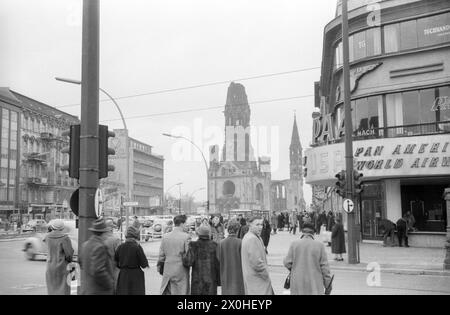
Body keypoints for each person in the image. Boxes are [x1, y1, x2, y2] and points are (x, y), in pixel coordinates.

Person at [283, 223, 332, 295]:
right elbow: (325, 268)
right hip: (315, 283)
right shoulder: (319, 246)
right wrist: (328, 285)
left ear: (302, 232)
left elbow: (287, 262)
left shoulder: (294, 244)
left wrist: (295, 268)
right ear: (313, 233)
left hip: (298, 282)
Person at [80, 218, 115, 295]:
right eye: (106, 232)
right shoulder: (100, 247)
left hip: (88, 288)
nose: (107, 235)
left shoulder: (85, 245)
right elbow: (98, 270)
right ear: (103, 233)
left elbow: (81, 263)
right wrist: (109, 283)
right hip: (99, 290)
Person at [158, 215, 191, 295]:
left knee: (169, 291)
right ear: (182, 224)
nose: (187, 225)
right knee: (181, 291)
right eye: (186, 223)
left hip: (168, 268)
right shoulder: (186, 237)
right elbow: (189, 255)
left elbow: (161, 255)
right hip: (181, 269)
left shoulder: (165, 237)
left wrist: (160, 267)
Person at [241, 216, 273, 295]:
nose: (260, 227)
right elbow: (256, 263)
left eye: (261, 224)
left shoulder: (251, 237)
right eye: (257, 224)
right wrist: (266, 274)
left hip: (253, 279)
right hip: (257, 281)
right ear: (250, 225)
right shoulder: (252, 239)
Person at [183, 225, 220, 295]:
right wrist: (218, 281)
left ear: (198, 234)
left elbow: (188, 262)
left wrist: (183, 255)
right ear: (208, 233)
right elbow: (218, 264)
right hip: (211, 281)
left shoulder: (193, 245)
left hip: (197, 282)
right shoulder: (215, 245)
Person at [115, 226, 149, 295]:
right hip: (136, 276)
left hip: (123, 275)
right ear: (135, 236)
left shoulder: (120, 247)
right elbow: (144, 264)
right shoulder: (137, 247)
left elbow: (116, 262)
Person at [44, 219, 74, 295]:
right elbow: (69, 254)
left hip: (50, 267)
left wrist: (49, 230)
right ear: (62, 228)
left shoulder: (47, 237)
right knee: (63, 290)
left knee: (52, 289)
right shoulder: (65, 238)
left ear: (52, 227)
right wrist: (70, 260)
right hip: (62, 268)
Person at [216, 219, 245, 295]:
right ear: (237, 230)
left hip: (225, 274)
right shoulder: (240, 242)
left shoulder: (221, 243)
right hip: (238, 274)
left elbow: (218, 258)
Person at [104, 219, 121, 292]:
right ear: (111, 228)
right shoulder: (116, 240)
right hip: (114, 268)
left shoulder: (100, 239)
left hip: (103, 269)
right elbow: (120, 255)